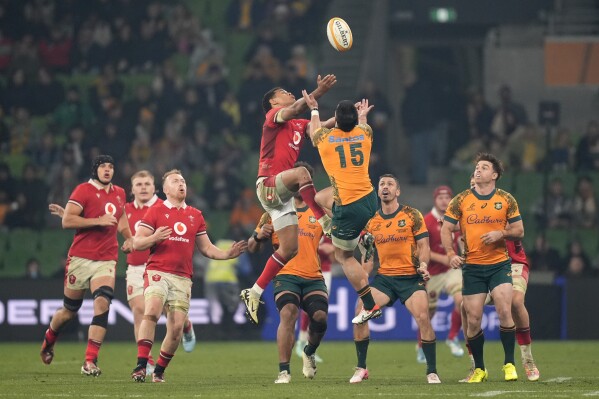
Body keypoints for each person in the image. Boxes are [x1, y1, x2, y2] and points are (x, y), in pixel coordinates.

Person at [48, 170, 198, 374]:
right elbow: (101, 221)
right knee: (140, 311)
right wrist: (67, 213)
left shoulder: (165, 207)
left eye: (147, 184)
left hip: (164, 268)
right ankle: (148, 360)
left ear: (155, 188)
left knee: (168, 313)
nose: (143, 187)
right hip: (136, 268)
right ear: (132, 189)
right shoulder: (125, 209)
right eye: (139, 184)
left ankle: (185, 325)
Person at [130, 169, 247, 383]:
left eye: (183, 180)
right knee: (153, 312)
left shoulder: (195, 215)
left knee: (175, 328)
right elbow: (137, 242)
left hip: (183, 278)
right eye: (175, 181)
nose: (181, 184)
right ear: (165, 189)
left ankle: (159, 372)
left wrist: (227, 254)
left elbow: (207, 248)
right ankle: (140, 365)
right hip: (158, 271)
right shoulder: (155, 211)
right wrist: (154, 237)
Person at [240, 74, 337, 325]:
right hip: (269, 185)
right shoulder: (272, 118)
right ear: (273, 101)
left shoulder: (297, 124)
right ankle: (326, 222)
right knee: (303, 173)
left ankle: (254, 292)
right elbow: (295, 107)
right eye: (284, 91)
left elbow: (319, 130)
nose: (290, 94)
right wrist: (318, 92)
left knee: (290, 248)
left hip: (281, 197)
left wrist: (346, 115)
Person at [40, 155, 133, 377]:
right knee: (69, 312)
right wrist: (97, 221)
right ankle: (49, 339)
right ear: (95, 170)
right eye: (103, 167)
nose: (108, 170)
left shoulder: (119, 193)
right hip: (81, 258)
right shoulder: (82, 190)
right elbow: (67, 221)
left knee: (103, 302)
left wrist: (129, 237)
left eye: (111, 166)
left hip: (106, 258)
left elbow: (121, 218)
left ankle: (90, 361)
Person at [441, 152, 523, 383]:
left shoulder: (506, 199)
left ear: (494, 175)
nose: (478, 170)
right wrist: (450, 254)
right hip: (473, 267)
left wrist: (502, 233)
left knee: (504, 310)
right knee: (474, 318)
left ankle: (509, 364)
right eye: (477, 167)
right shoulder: (461, 199)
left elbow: (519, 230)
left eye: (484, 167)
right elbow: (446, 229)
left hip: (499, 264)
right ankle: (480, 369)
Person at [349, 174, 440, 384]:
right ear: (378, 191)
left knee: (423, 317)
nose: (385, 187)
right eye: (382, 184)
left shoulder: (412, 215)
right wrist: (363, 279)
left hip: (410, 278)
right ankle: (361, 368)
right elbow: (368, 256)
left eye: (390, 184)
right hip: (385, 280)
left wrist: (424, 265)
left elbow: (424, 246)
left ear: (397, 191)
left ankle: (432, 371)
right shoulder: (371, 223)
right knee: (361, 309)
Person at [302, 92, 381, 325]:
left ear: (335, 119)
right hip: (369, 198)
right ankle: (362, 234)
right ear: (355, 120)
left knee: (343, 256)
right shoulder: (365, 133)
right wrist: (363, 116)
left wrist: (314, 108)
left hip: (348, 206)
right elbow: (363, 125)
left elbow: (312, 130)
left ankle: (369, 305)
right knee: (319, 197)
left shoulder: (325, 140)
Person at [247, 161, 329, 383]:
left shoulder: (318, 212)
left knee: (320, 319)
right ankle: (284, 370)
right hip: (286, 276)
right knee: (288, 313)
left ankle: (309, 351)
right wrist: (258, 236)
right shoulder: (275, 210)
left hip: (313, 276)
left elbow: (334, 242)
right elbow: (251, 247)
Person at [459, 175, 540, 382]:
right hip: (483, 265)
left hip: (513, 262)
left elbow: (517, 230)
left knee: (515, 301)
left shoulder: (500, 203)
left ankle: (527, 358)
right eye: (471, 186)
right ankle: (474, 364)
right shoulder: (466, 209)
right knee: (465, 307)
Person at [418, 186, 464, 363]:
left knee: (462, 301)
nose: (444, 200)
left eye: (447, 197)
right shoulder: (426, 221)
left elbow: (461, 241)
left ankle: (452, 337)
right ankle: (422, 346)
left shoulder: (455, 220)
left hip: (451, 270)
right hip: (431, 272)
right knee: (426, 313)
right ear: (434, 200)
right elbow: (420, 249)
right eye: (441, 197)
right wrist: (443, 258)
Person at [294, 234, 334, 363]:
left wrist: (334, 248)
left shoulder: (327, 220)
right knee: (309, 305)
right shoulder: (304, 220)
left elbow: (333, 249)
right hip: (307, 268)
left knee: (319, 307)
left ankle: (308, 345)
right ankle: (301, 342)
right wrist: (321, 247)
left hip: (325, 269)